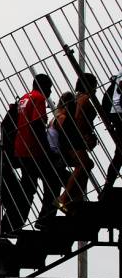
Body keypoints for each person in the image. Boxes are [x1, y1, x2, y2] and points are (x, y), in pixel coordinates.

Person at [11, 74, 65, 229]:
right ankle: (45, 218)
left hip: (21, 149)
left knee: (28, 188)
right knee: (54, 181)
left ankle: (14, 223)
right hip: (33, 150)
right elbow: (37, 125)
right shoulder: (38, 99)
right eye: (49, 88)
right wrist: (47, 150)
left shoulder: (24, 98)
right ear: (44, 86)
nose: (50, 93)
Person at [0, 99, 30, 239]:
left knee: (14, 200)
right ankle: (3, 232)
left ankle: (5, 231)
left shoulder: (13, 131)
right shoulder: (19, 136)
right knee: (17, 199)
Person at [54, 75, 98, 212]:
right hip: (73, 139)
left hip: (72, 138)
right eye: (95, 84)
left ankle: (76, 198)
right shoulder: (84, 99)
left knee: (86, 165)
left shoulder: (78, 98)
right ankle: (63, 198)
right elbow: (78, 118)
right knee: (84, 164)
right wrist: (83, 136)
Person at [100, 72, 122, 192]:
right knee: (119, 154)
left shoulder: (118, 77)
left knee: (119, 154)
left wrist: (109, 118)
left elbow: (106, 100)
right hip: (119, 115)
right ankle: (107, 186)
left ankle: (108, 186)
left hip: (116, 116)